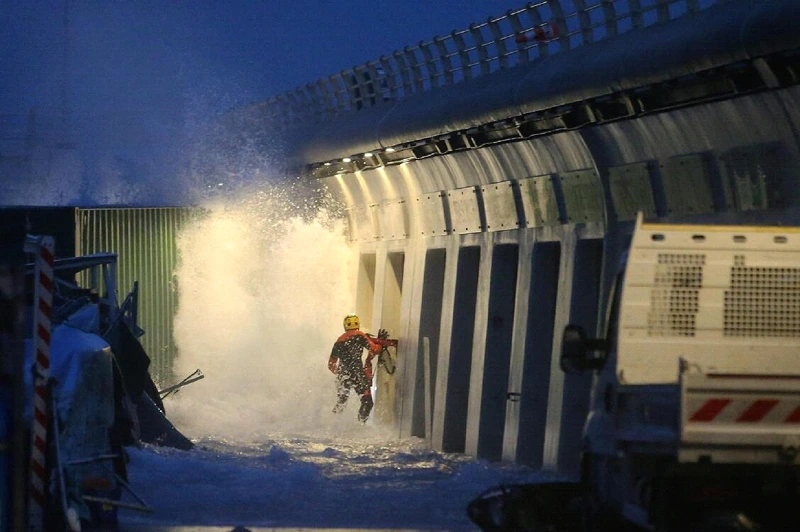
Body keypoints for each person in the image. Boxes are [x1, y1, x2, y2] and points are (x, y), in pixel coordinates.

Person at [327, 313, 397, 422]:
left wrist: (340, 373)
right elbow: (375, 350)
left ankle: (330, 422)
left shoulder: (339, 341)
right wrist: (381, 342)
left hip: (342, 375)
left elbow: (331, 365)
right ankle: (360, 425)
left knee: (341, 402)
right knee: (367, 402)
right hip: (357, 373)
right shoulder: (359, 334)